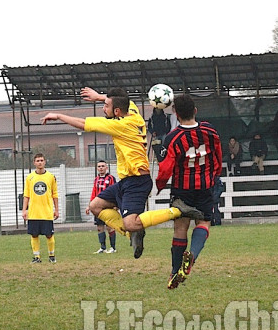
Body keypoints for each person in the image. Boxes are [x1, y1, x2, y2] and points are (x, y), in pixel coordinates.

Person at [41, 87, 201, 259]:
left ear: (116, 111)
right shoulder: (133, 112)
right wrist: (98, 97)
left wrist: (58, 116)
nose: (104, 108)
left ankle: (178, 211)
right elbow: (122, 100)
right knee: (95, 206)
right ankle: (133, 233)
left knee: (131, 222)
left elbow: (83, 123)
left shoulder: (119, 125)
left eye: (106, 106)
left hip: (137, 181)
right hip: (126, 181)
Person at [154, 94, 222, 289]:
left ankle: (175, 272)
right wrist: (214, 174)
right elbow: (217, 154)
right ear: (195, 111)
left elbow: (166, 168)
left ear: (175, 113)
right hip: (205, 187)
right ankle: (192, 254)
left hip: (182, 190)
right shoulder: (209, 131)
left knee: (180, 228)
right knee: (204, 222)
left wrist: (159, 186)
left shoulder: (172, 138)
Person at [21, 153, 59, 263]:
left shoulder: (51, 177)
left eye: (41, 160)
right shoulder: (30, 177)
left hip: (47, 212)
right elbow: (26, 195)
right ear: (34, 163)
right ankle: (36, 257)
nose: (40, 162)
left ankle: (51, 256)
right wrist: (24, 210)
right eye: (37, 161)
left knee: (49, 235)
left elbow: (54, 194)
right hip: (33, 212)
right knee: (34, 235)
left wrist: (56, 210)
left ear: (45, 162)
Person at [86, 160, 117, 254]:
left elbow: (115, 191)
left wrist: (116, 205)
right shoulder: (96, 179)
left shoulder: (111, 178)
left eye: (103, 166)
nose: (101, 168)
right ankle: (102, 247)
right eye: (99, 166)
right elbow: (94, 193)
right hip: (97, 207)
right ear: (97, 168)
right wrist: (89, 206)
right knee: (99, 227)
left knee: (110, 226)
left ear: (106, 167)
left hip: (108, 205)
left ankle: (113, 248)